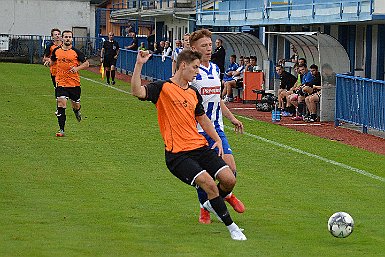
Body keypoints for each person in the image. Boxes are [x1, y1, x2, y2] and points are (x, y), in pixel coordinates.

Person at [131, 49, 247, 241]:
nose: (197, 72)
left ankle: (212, 204)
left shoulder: (193, 92)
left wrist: (217, 139)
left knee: (229, 179)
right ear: (183, 65)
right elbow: (137, 91)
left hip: (199, 147)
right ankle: (232, 228)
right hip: (178, 154)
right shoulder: (163, 88)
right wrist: (139, 64)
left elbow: (202, 118)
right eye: (195, 68)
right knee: (209, 185)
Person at [189, 29, 245, 224]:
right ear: (193, 48)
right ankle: (205, 208)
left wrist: (232, 118)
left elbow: (217, 99)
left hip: (217, 127)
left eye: (210, 45)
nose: (208, 48)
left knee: (231, 171)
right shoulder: (191, 72)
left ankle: (215, 201)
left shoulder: (215, 68)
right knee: (205, 174)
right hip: (197, 129)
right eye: (204, 46)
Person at [50, 30, 90, 137]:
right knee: (61, 103)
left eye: (69, 37)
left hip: (74, 83)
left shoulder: (76, 52)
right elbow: (52, 61)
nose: (68, 39)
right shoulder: (56, 51)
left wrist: (77, 68)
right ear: (62, 38)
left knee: (76, 105)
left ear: (72, 39)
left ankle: (77, 111)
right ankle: (61, 129)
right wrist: (48, 63)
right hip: (61, 82)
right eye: (66, 37)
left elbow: (86, 64)